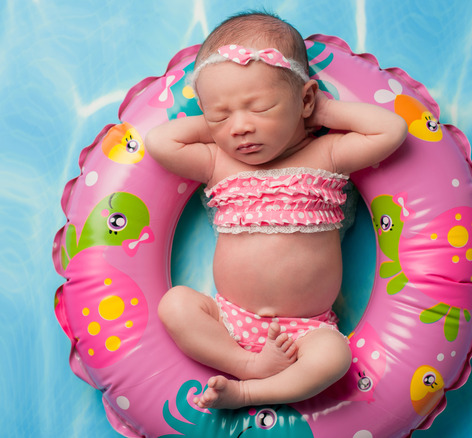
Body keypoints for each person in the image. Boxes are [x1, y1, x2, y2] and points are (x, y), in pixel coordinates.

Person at [145, 11, 407, 410]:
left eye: (259, 108)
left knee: (335, 356)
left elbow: (391, 130)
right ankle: (246, 366)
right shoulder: (217, 162)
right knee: (176, 305)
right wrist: (214, 125)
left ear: (305, 98)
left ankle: (249, 392)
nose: (240, 127)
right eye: (222, 114)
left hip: (307, 329)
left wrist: (322, 114)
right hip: (229, 318)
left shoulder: (328, 154)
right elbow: (160, 141)